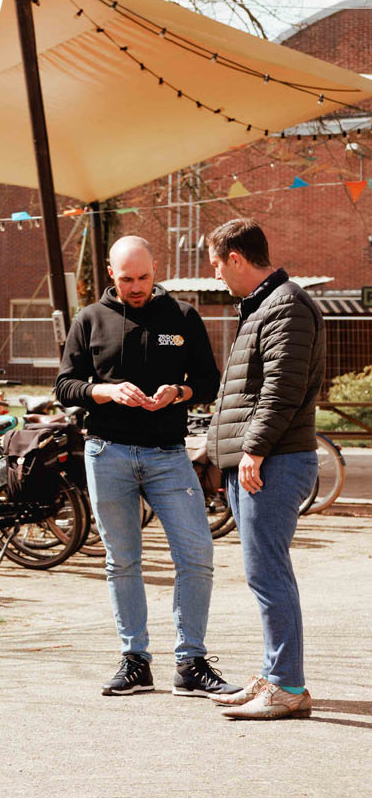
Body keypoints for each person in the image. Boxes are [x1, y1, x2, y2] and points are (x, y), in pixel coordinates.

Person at [56, 236, 227, 699]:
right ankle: (135, 661)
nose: (136, 287)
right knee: (122, 560)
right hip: (107, 452)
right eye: (127, 278)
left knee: (197, 555)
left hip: (168, 454)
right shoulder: (89, 319)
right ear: (111, 272)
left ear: (156, 269)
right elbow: (65, 386)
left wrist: (180, 392)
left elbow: (209, 381)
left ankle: (190, 663)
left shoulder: (183, 316)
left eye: (144, 277)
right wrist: (105, 391)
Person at [205, 218, 324, 720]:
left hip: (273, 461)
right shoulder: (263, 305)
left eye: (217, 265)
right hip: (258, 461)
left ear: (235, 258)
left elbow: (281, 387)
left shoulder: (286, 305)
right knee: (263, 573)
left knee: (268, 573)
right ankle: (275, 674)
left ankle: (287, 686)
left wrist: (253, 450)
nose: (216, 276)